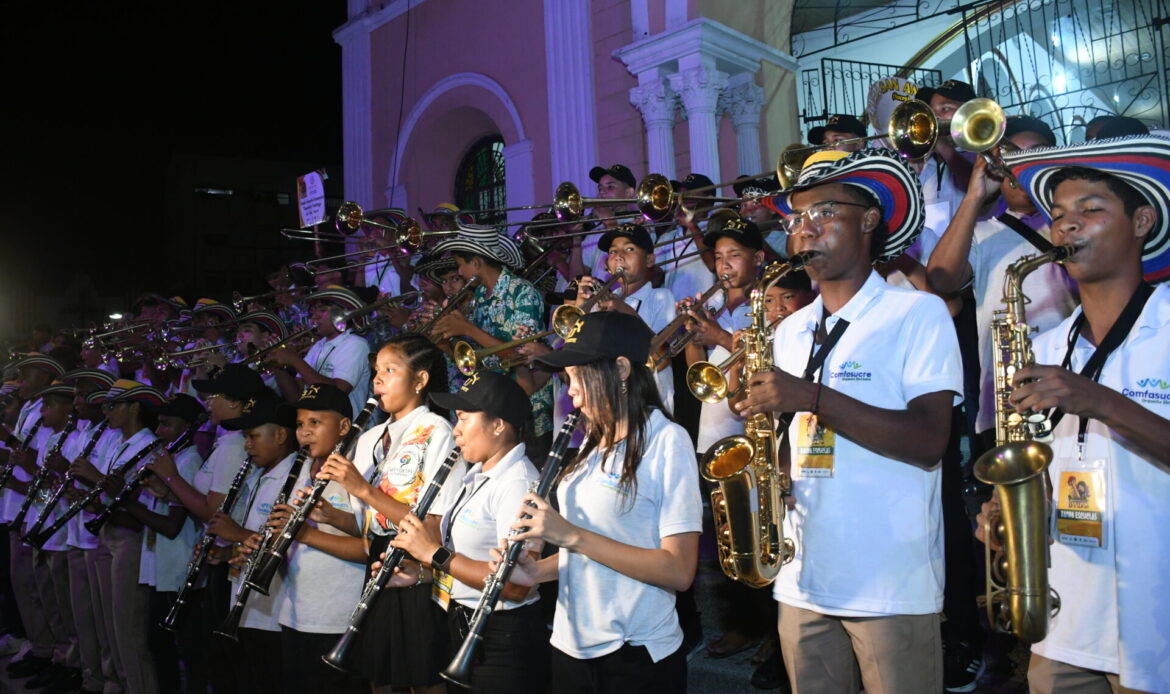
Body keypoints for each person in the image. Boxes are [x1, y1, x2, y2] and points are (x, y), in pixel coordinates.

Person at [737, 149, 963, 694]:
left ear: (868, 221)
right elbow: (799, 436)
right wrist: (774, 470)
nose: (803, 231)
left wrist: (811, 395)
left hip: (889, 582)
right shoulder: (789, 331)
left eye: (822, 214)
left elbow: (929, 440)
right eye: (795, 220)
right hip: (801, 578)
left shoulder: (917, 313)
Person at [979, 134, 1170, 693]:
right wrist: (1006, 510)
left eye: (1091, 210)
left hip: (1155, 619)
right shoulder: (1045, 345)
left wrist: (1098, 400)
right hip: (1063, 622)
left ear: (1141, 223)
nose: (1066, 227)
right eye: (1059, 215)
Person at [504, 311, 703, 693]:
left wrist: (569, 534)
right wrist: (536, 572)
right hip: (570, 643)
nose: (570, 392)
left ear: (622, 369)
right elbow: (596, 547)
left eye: (577, 378)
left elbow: (679, 570)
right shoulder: (591, 444)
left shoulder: (666, 440)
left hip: (634, 653)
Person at [312, 334, 462, 694]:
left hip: (419, 567)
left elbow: (430, 525)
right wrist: (331, 515)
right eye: (376, 370)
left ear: (420, 380)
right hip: (380, 562)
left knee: (422, 680)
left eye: (390, 370)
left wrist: (363, 489)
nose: (377, 379)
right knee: (380, 678)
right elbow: (370, 527)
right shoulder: (370, 437)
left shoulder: (438, 431)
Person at [390, 370, 549, 693]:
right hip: (464, 623)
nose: (456, 430)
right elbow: (468, 560)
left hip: (503, 638)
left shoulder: (517, 482)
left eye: (463, 419)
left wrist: (435, 555)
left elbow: (517, 586)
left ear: (498, 424)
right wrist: (423, 571)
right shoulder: (479, 475)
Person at [69, 379, 168, 694]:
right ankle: (117, 684)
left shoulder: (149, 446)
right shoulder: (115, 442)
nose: (106, 411)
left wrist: (95, 478)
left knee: (129, 629)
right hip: (107, 532)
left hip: (130, 537)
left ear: (134, 408)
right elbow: (108, 494)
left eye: (114, 405)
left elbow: (138, 503)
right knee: (108, 625)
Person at [431, 225, 553, 459]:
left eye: (461, 265)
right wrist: (447, 344)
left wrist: (468, 329)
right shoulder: (479, 298)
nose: (460, 271)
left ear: (476, 263)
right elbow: (478, 356)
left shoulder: (522, 292)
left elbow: (522, 355)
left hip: (528, 412)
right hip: (493, 408)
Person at [208, 396, 300, 694]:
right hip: (249, 607)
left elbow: (285, 543)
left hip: (272, 614)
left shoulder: (294, 478)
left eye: (253, 436)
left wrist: (235, 533)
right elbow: (255, 538)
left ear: (281, 435)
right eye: (246, 437)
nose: (247, 445)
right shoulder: (262, 474)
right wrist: (226, 553)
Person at [269, 284, 372, 419]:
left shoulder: (356, 344)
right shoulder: (318, 345)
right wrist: (277, 365)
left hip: (346, 431)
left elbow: (337, 393)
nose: (314, 317)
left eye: (322, 310)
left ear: (344, 314)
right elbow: (295, 397)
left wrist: (295, 360)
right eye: (313, 312)